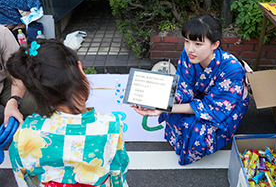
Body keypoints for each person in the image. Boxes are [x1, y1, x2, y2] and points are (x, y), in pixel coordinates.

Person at [7, 39, 130, 186]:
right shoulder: (111, 126)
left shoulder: (23, 135)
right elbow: (118, 174)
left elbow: (25, 181)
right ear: (79, 69)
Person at [132, 14, 250, 165]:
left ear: (215, 45)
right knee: (173, 116)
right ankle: (183, 143)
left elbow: (213, 107)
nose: (190, 49)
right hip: (202, 97)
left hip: (225, 107)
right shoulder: (188, 55)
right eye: (187, 41)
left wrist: (168, 107)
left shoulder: (231, 69)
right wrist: (160, 102)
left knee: (196, 132)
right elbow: (183, 86)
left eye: (198, 44)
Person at [0, 25, 37, 126]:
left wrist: (14, 100)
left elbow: (18, 71)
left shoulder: (2, 33)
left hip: (4, 85)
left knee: (36, 105)